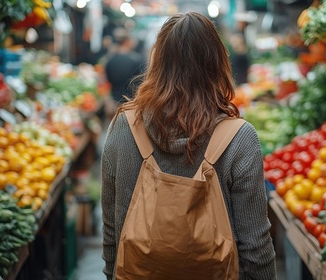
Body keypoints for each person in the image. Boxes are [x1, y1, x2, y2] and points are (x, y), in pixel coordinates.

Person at [101, 11, 277, 279]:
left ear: (157, 62)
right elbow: (256, 244)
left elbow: (112, 230)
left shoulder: (124, 128)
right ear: (218, 62)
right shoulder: (239, 138)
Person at [104, 28, 145, 104]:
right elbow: (142, 82)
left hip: (115, 100)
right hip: (132, 102)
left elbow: (107, 80)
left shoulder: (110, 60)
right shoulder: (137, 60)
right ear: (127, 41)